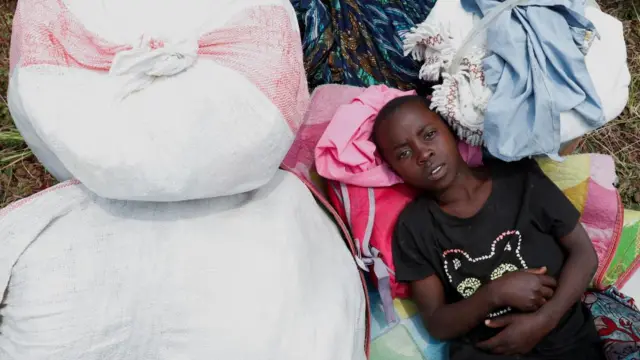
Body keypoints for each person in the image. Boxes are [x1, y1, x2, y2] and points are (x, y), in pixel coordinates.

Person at [372, 95, 604, 359]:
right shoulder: (413, 228)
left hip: (566, 341)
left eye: (429, 134)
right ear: (394, 169)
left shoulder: (519, 177)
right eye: (404, 153)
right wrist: (496, 293)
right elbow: (437, 322)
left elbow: (584, 255)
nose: (423, 153)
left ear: (450, 128)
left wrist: (543, 321)